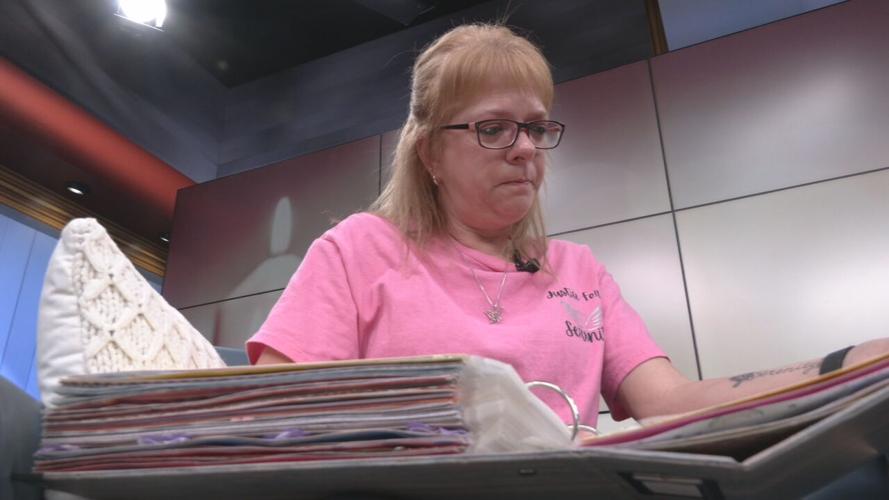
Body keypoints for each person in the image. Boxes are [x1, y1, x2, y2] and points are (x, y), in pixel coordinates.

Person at [247, 23, 889, 430]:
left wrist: (845, 365)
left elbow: (669, 403)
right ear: (430, 154)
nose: (525, 147)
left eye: (536, 126)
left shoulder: (580, 272)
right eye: (492, 128)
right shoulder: (360, 249)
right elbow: (277, 417)